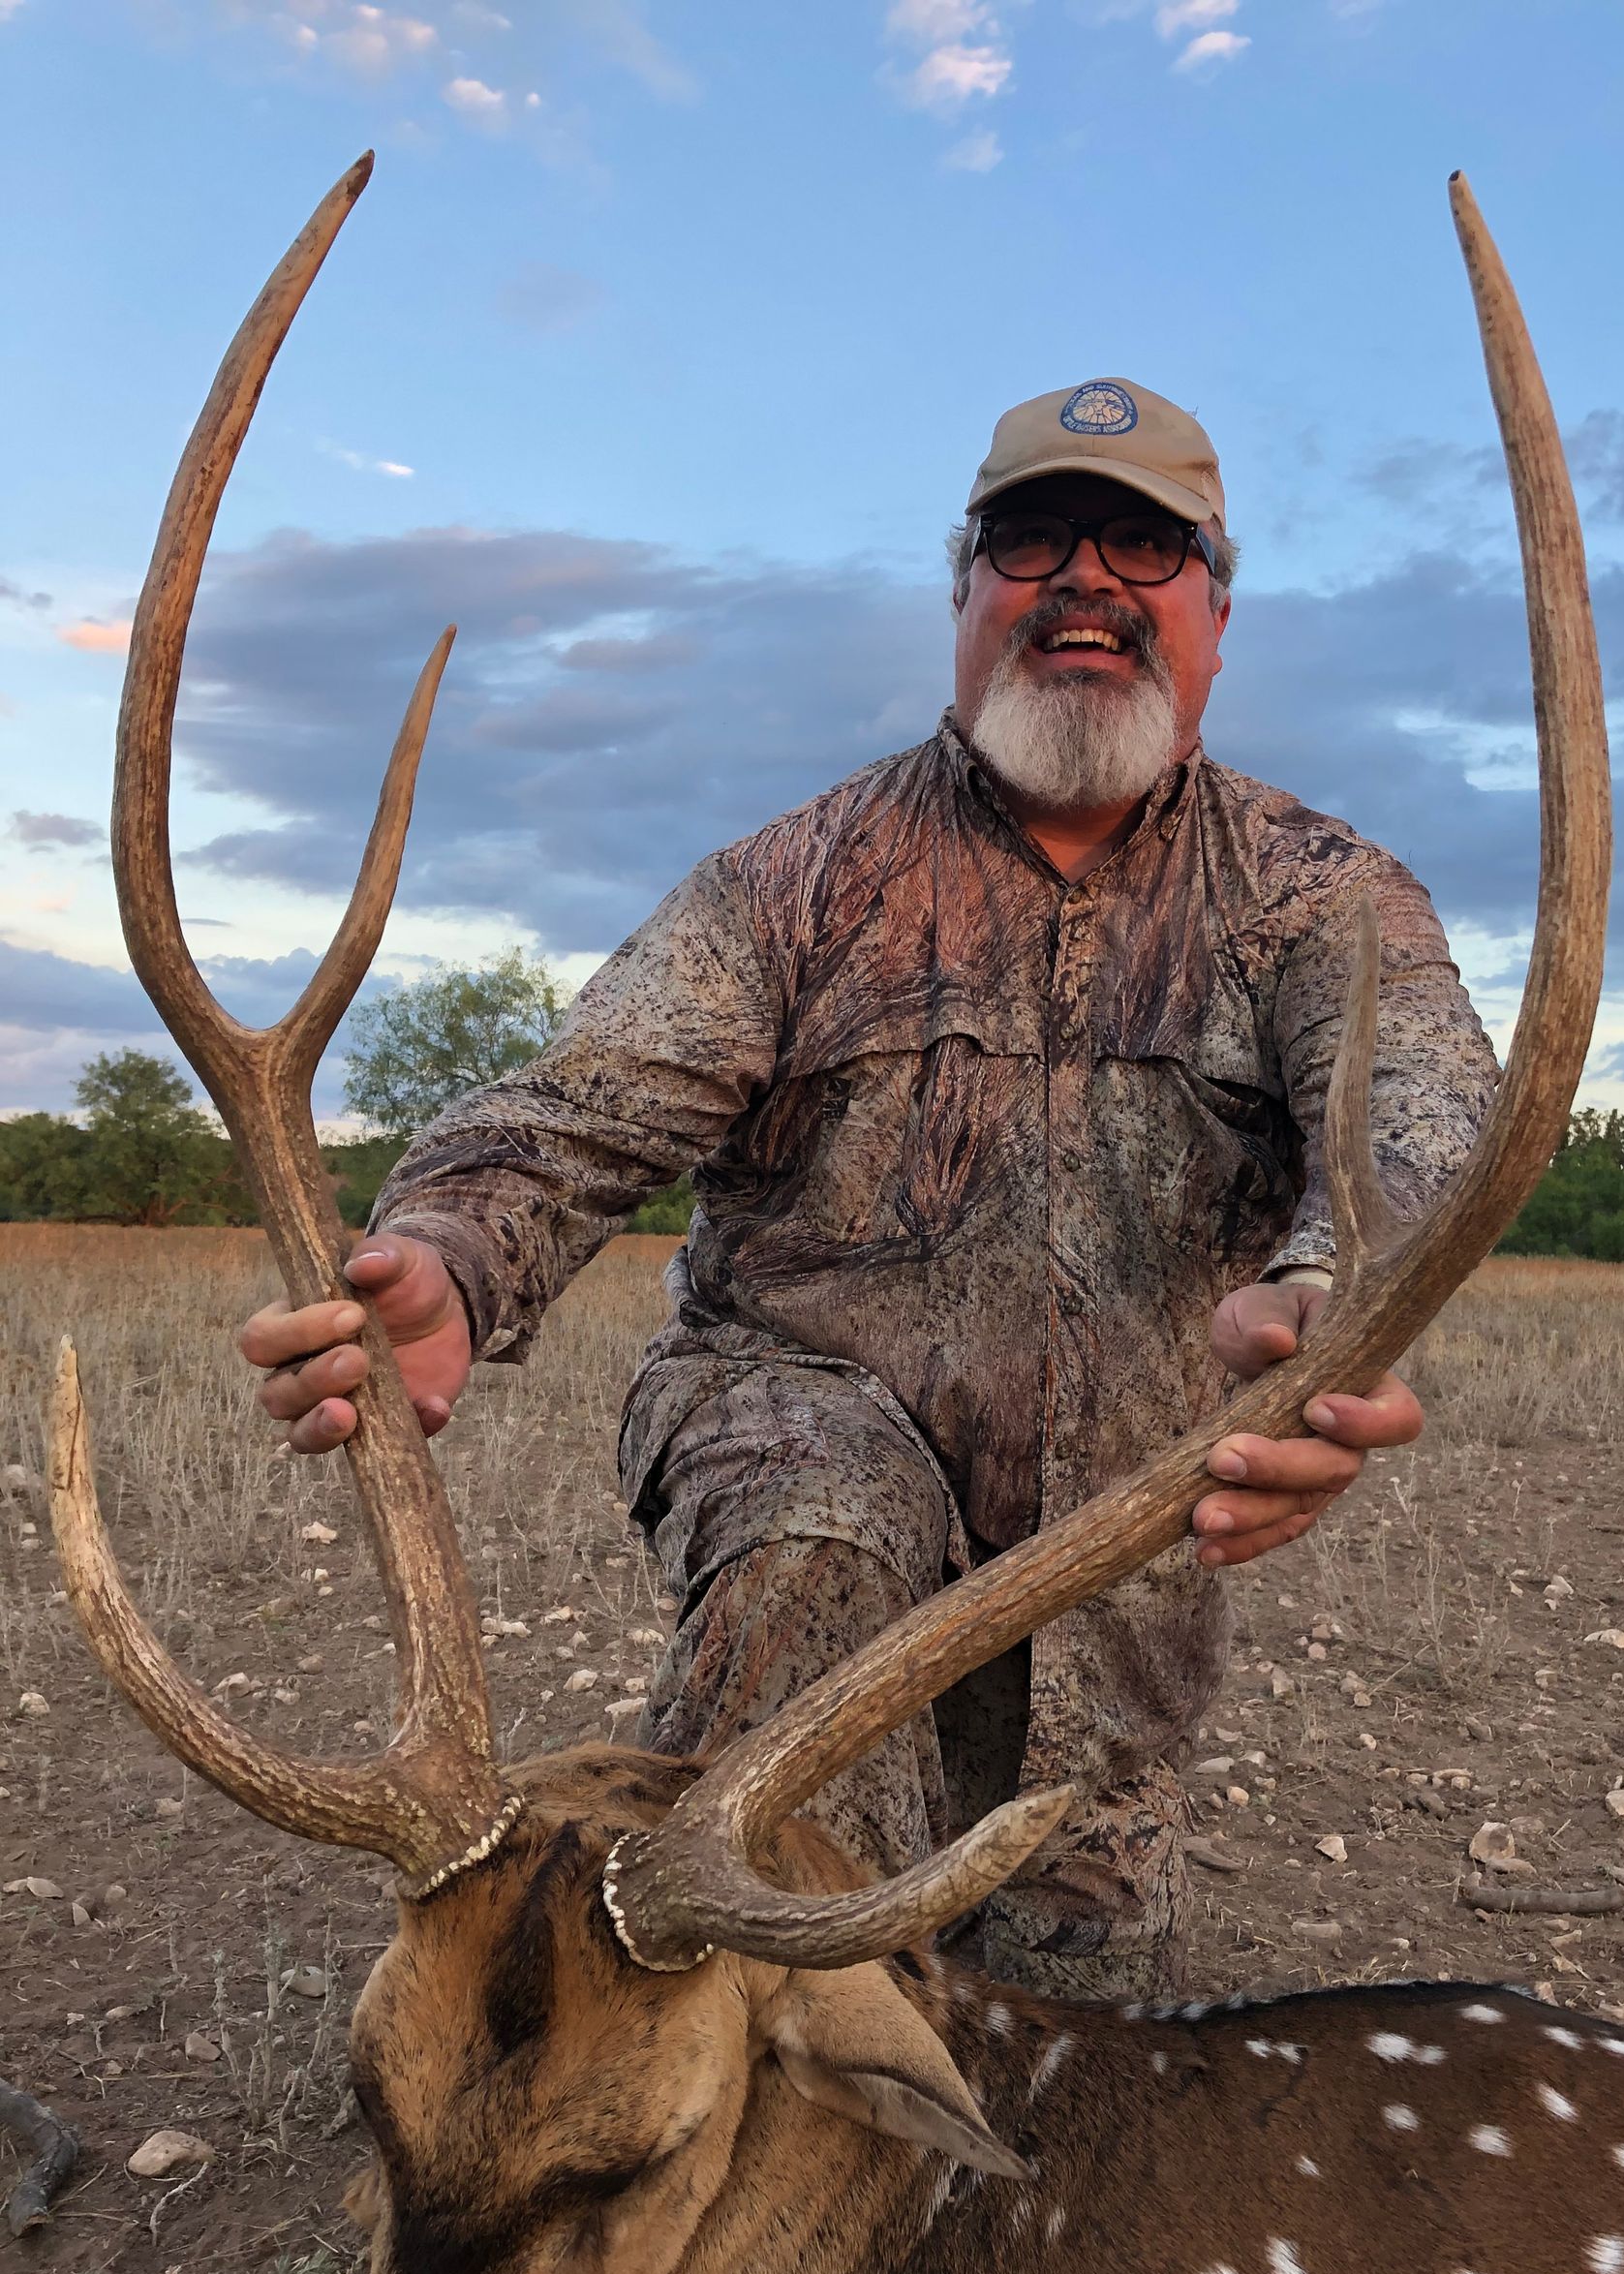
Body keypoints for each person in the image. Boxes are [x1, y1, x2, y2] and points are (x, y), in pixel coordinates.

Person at [241, 378, 1496, 2000]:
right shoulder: (800, 881)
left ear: (1216, 614)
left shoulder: (1313, 896)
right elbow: (578, 1104)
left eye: (1144, 545)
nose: (1086, 583)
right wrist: (447, 1250)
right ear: (965, 592)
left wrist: (1339, 1300)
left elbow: (1426, 1106)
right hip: (795, 1442)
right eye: (1031, 539)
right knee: (770, 1939)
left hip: (1111, 1594)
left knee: (1055, 2088)